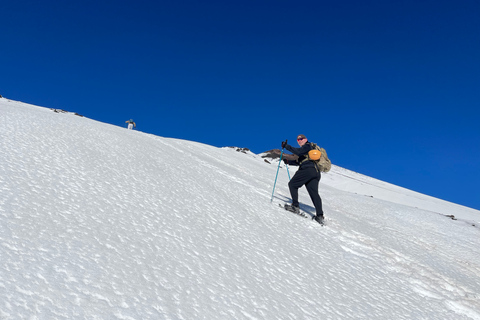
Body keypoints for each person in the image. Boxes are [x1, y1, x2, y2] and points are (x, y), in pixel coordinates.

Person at [281, 134, 324, 224]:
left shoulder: (308, 146)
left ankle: (295, 206)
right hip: (315, 172)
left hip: (307, 170)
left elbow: (298, 152)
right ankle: (320, 216)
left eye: (301, 139)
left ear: (306, 139)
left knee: (292, 184)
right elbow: (299, 161)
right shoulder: (309, 150)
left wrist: (286, 146)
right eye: (298, 140)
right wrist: (288, 161)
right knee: (314, 193)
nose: (299, 140)